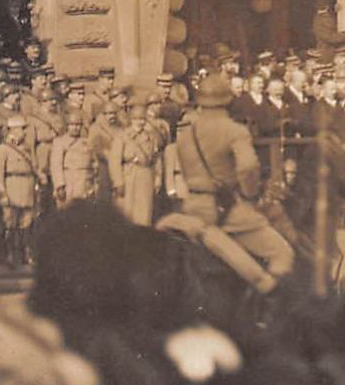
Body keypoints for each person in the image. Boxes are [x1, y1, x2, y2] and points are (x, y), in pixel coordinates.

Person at [176, 74, 296, 291]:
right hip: (226, 210)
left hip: (191, 208)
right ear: (227, 100)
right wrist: (250, 196)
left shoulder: (185, 134)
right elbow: (248, 168)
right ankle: (264, 314)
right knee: (282, 253)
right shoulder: (234, 131)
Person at [0, 115, 41, 266]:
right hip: (11, 189)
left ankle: (26, 254)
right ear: (12, 130)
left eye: (25, 129)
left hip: (27, 188)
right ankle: (10, 254)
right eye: (21, 129)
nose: (24, 132)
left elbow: (34, 168)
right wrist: (2, 193)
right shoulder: (3, 149)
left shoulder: (27, 148)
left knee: (27, 224)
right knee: (9, 224)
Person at [109, 95, 166, 227]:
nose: (139, 122)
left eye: (142, 119)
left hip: (146, 175)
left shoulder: (150, 136)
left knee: (144, 212)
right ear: (131, 120)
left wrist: (158, 178)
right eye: (136, 119)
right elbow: (114, 161)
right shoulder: (122, 136)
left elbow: (157, 158)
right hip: (129, 175)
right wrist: (118, 182)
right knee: (127, 211)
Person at [50, 113, 98, 206]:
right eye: (72, 125)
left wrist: (94, 184)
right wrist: (59, 185)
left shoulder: (86, 142)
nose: (75, 128)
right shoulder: (60, 142)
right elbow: (56, 165)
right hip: (69, 182)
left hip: (85, 183)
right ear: (67, 126)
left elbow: (94, 163)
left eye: (78, 125)